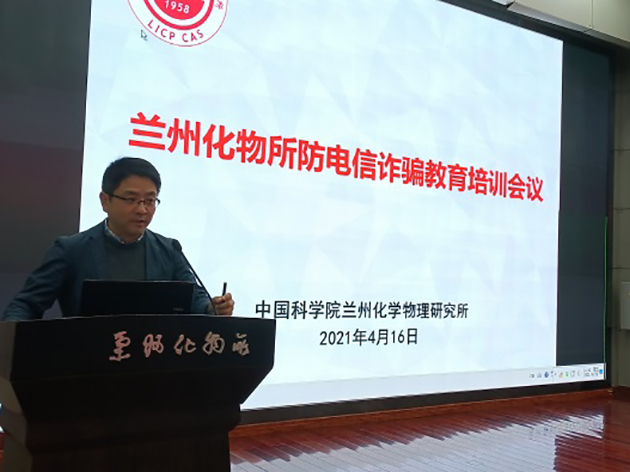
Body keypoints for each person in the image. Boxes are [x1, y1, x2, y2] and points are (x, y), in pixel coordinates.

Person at [2, 157, 234, 321]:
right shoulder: (71, 250)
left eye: (150, 200)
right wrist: (11, 339)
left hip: (152, 365)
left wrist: (210, 307)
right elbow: (26, 305)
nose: (142, 209)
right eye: (131, 199)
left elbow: (193, 298)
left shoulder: (169, 249)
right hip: (86, 364)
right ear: (105, 201)